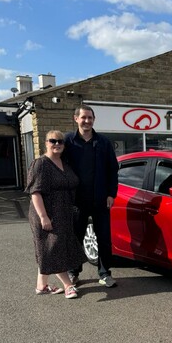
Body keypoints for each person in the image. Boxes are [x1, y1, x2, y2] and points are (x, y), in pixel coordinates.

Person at [26, 130, 87, 299]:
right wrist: (43, 217)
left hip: (64, 213)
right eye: (53, 141)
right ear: (46, 143)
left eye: (60, 141)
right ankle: (68, 285)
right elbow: (35, 193)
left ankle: (41, 286)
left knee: (48, 249)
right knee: (54, 248)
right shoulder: (41, 164)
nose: (57, 144)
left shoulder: (64, 163)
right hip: (47, 213)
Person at [64, 104, 119, 288]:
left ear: (93, 120)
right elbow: (56, 165)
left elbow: (113, 169)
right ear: (76, 119)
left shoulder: (103, 142)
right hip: (77, 201)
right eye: (83, 117)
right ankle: (73, 272)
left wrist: (112, 193)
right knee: (76, 238)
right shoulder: (67, 141)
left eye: (90, 118)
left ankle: (104, 273)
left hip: (101, 199)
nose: (87, 121)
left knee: (104, 238)